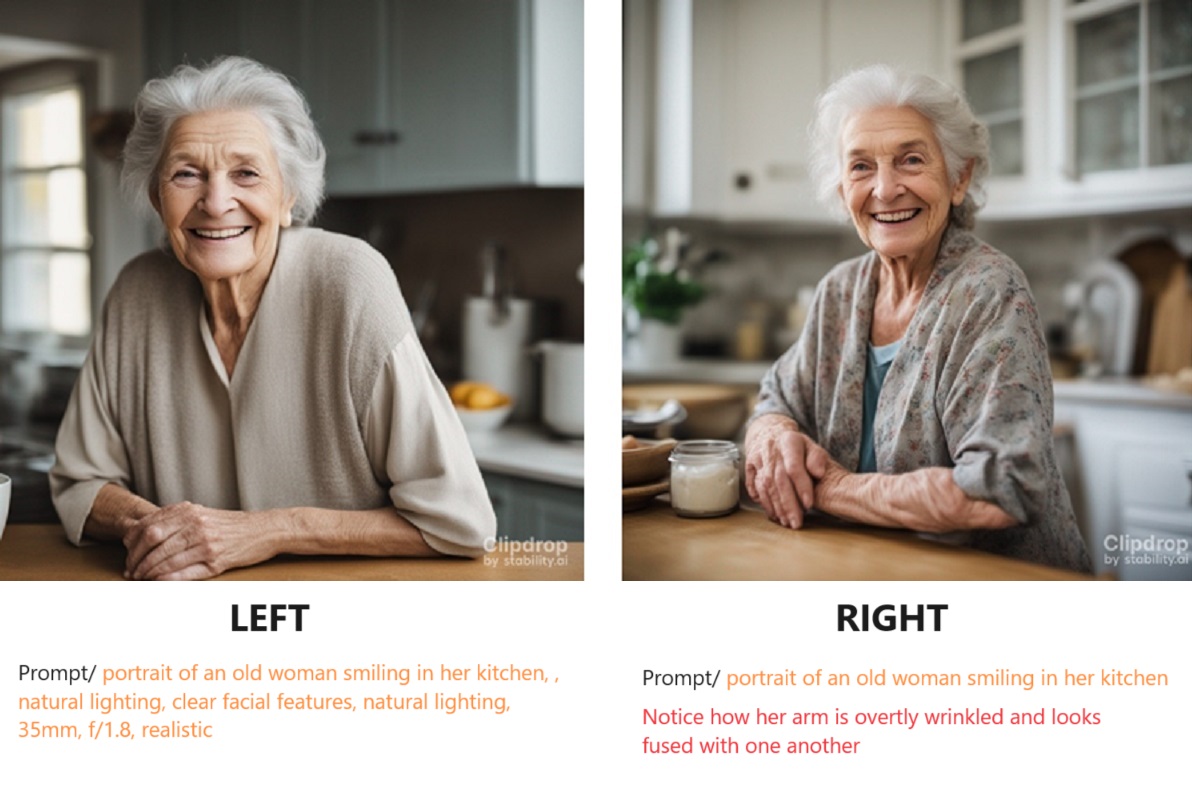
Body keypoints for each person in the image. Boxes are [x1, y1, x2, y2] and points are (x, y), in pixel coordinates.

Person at [50, 56, 496, 580]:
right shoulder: (137, 293)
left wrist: (266, 530)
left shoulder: (350, 281)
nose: (216, 203)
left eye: (246, 173)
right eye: (186, 174)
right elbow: (79, 484)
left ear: (287, 197)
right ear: (157, 198)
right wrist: (165, 532)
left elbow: (462, 521)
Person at [744, 64, 1090, 573]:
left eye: (910, 160)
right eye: (861, 167)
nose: (885, 190)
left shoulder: (988, 289)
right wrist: (771, 435)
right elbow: (777, 399)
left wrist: (834, 488)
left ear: (958, 178)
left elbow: (1000, 489)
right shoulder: (840, 291)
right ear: (843, 192)